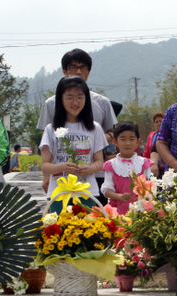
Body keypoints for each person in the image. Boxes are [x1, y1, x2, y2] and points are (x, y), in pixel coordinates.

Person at [36, 49, 117, 205]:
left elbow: (104, 149)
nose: (75, 102)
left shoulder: (97, 118)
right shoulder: (50, 122)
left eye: (80, 97)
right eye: (73, 67)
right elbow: (46, 159)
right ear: (64, 70)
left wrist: (91, 166)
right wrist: (53, 172)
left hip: (89, 187)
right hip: (60, 189)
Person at [39, 76, 107, 213]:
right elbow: (45, 166)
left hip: (87, 192)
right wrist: (62, 167)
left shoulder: (95, 128)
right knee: (59, 232)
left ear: (86, 99)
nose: (75, 102)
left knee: (88, 232)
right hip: (59, 192)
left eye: (80, 97)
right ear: (60, 99)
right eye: (69, 97)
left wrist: (88, 168)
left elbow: (99, 162)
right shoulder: (51, 129)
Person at [101, 121, 153, 214]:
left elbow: (151, 186)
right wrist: (119, 196)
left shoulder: (144, 163)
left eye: (132, 139)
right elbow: (106, 190)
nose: (127, 143)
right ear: (115, 142)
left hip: (141, 211)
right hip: (118, 211)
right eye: (123, 139)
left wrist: (143, 196)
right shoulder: (111, 165)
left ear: (137, 142)